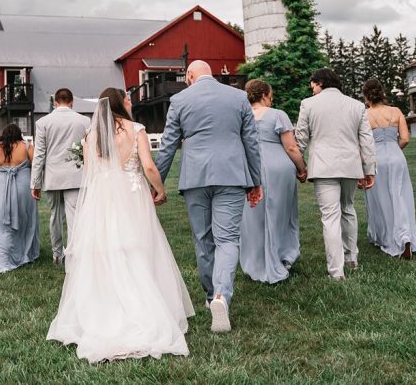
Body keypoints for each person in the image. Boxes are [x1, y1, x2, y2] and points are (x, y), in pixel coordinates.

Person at [48, 89, 194, 363]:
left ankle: (106, 310)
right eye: (127, 99)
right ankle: (141, 312)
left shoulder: (91, 135)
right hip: (132, 196)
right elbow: (149, 166)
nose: (130, 102)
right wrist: (160, 190)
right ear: (119, 102)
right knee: (137, 249)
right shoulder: (135, 129)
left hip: (102, 201)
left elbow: (90, 173)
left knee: (107, 252)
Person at [155, 60, 262, 333]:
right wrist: (256, 180)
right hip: (232, 176)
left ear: (190, 76)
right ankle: (221, 297)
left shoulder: (179, 100)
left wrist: (157, 183)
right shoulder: (239, 97)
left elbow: (167, 145)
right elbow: (251, 142)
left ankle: (209, 295)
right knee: (227, 239)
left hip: (195, 178)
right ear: (211, 74)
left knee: (203, 239)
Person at [294, 68, 376, 280]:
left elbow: (301, 139)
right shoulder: (357, 105)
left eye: (312, 84)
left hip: (323, 167)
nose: (311, 88)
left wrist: (299, 166)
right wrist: (369, 170)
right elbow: (366, 141)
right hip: (350, 166)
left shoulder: (308, 104)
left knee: (330, 216)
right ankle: (352, 259)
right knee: (348, 209)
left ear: (320, 82)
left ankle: (336, 271)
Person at [239, 79, 308, 284]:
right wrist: (302, 168)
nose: (272, 99)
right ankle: (282, 257)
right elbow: (291, 148)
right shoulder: (278, 114)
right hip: (278, 167)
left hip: (249, 168)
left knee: (253, 217)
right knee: (281, 213)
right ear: (264, 95)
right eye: (271, 95)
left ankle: (256, 262)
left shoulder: (240, 116)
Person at [361, 79, 416, 260]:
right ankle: (405, 236)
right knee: (400, 196)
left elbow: (363, 143)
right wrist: (394, 148)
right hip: (397, 157)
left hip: (376, 159)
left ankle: (387, 237)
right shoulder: (395, 111)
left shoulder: (364, 115)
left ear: (366, 96)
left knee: (381, 200)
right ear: (382, 93)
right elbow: (405, 138)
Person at [30, 88, 91, 265]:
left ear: (55, 103)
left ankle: (57, 254)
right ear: (72, 102)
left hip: (53, 176)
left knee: (54, 216)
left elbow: (39, 154)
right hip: (76, 174)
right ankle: (73, 255)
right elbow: (86, 149)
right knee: (73, 216)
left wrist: (35, 183)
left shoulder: (43, 122)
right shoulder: (84, 120)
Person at [0, 123, 39, 273]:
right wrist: (37, 187)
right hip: (23, 190)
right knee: (25, 220)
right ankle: (24, 253)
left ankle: (0, 257)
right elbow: (37, 167)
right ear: (19, 134)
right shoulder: (26, 147)